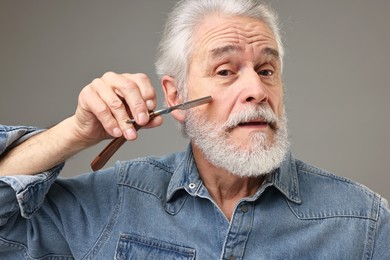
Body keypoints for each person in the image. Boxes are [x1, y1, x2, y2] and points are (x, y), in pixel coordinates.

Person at [0, 0, 389, 258]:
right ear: (176, 95)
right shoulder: (112, 202)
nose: (257, 90)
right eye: (225, 71)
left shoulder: (364, 223)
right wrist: (77, 132)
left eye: (266, 71)